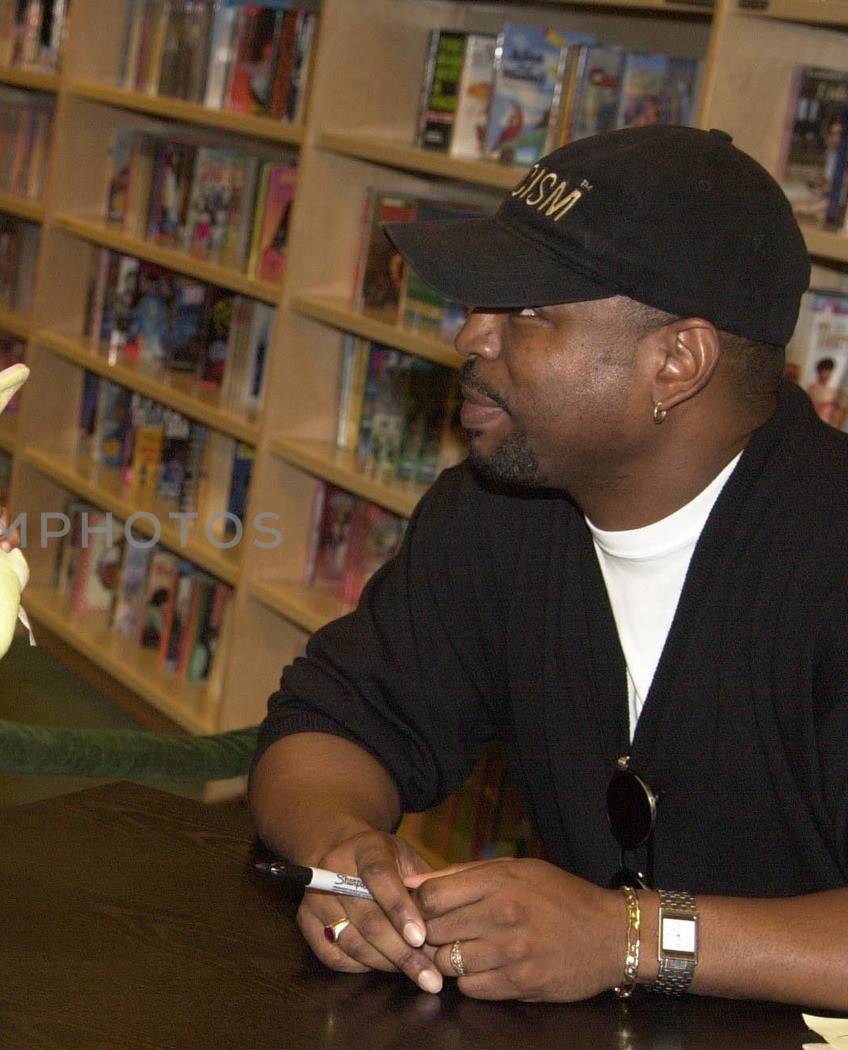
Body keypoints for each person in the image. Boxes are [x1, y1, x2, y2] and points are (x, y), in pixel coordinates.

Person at [249, 125, 848, 1009]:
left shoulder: (826, 555)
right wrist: (346, 858)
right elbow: (326, 727)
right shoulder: (499, 512)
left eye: (526, 311)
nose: (469, 335)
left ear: (676, 361)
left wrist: (630, 939)